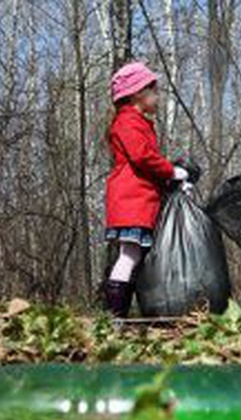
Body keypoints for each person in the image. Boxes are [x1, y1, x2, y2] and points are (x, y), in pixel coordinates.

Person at [104, 61, 189, 318]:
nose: (157, 96)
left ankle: (120, 315)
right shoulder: (127, 122)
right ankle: (115, 316)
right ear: (137, 93)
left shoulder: (136, 122)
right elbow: (142, 157)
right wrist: (170, 171)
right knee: (129, 257)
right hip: (132, 202)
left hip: (137, 202)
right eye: (153, 90)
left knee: (134, 257)